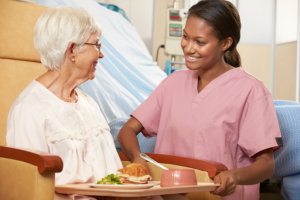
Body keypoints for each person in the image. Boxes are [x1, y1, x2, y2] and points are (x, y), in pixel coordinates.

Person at [118, 0, 281, 200]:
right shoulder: (173, 83)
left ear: (226, 43)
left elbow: (266, 165)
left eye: (200, 42)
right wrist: (137, 159)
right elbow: (127, 131)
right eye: (185, 37)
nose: (188, 47)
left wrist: (234, 177)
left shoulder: (251, 90)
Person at [6, 6, 123, 200]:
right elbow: (30, 186)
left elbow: (113, 175)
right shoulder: (28, 109)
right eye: (96, 45)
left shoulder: (88, 104)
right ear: (72, 50)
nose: (101, 55)